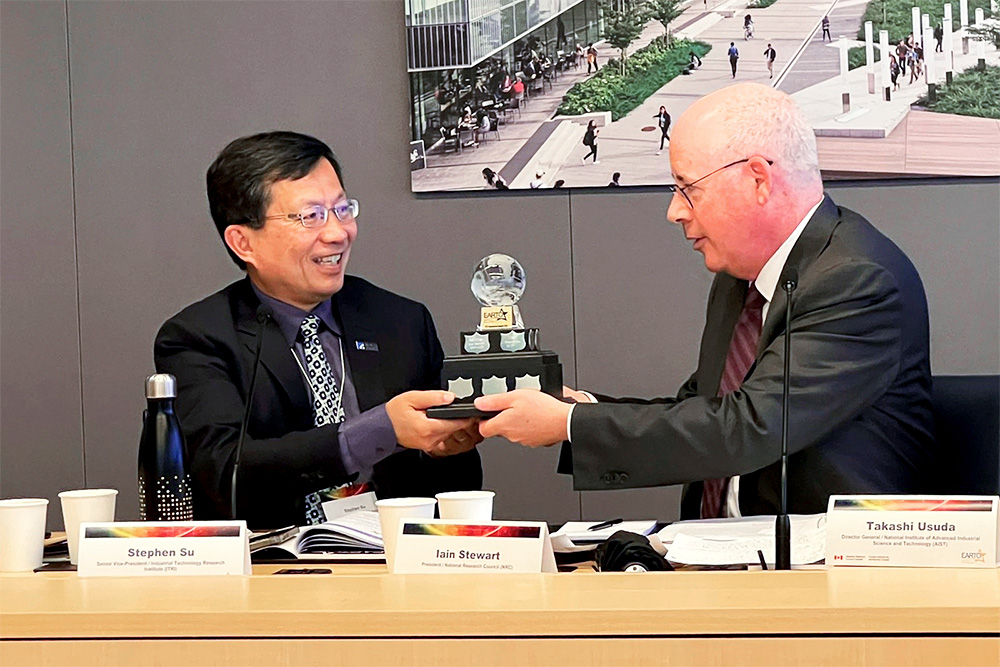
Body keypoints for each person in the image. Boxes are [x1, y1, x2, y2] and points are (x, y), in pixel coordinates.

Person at [473, 83, 935, 519]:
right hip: (722, 558)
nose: (674, 210)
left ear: (758, 179)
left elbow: (750, 426)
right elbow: (702, 405)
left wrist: (570, 425)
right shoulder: (741, 279)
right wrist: (580, 408)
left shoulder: (856, 279)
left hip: (833, 572)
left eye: (687, 188)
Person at [155, 132, 483, 528]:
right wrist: (378, 431)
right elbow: (223, 474)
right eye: (310, 216)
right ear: (243, 242)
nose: (337, 233)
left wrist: (441, 452)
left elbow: (455, 492)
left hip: (394, 566)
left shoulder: (401, 321)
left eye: (343, 209)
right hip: (268, 574)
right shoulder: (199, 337)